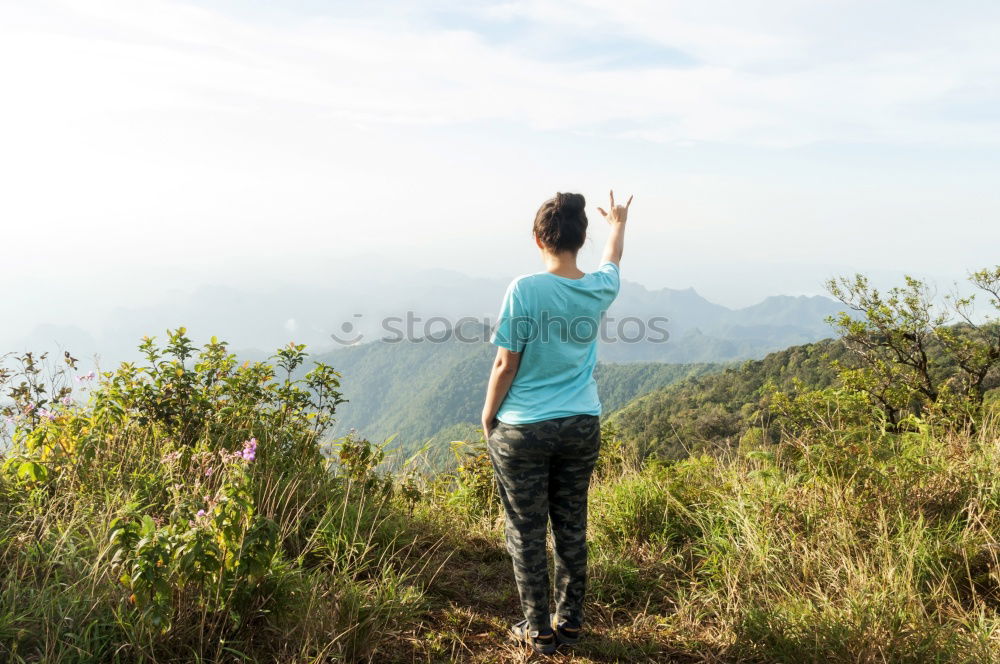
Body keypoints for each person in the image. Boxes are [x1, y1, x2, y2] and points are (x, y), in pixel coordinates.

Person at [482, 189, 632, 655]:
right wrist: (619, 224)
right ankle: (569, 624)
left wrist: (489, 416)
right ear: (580, 238)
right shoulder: (599, 287)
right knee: (571, 525)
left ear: (537, 238)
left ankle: (537, 630)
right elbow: (613, 260)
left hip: (523, 428)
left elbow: (506, 363)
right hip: (581, 423)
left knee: (526, 528)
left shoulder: (525, 289)